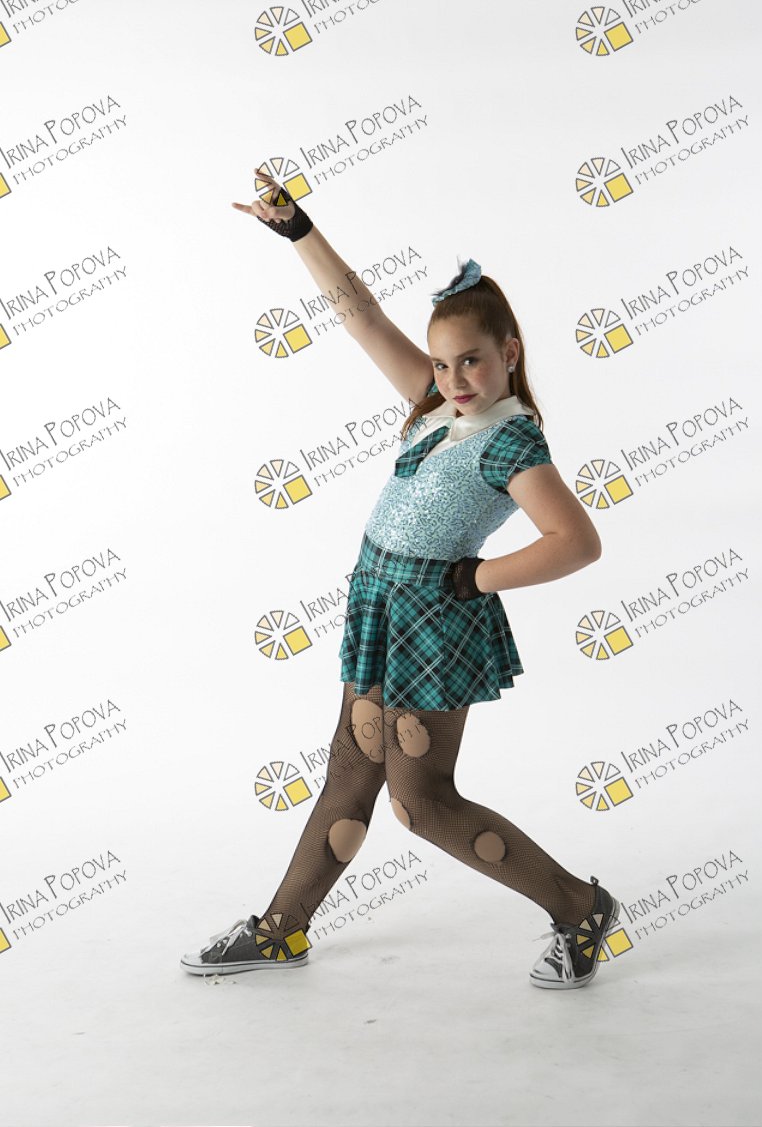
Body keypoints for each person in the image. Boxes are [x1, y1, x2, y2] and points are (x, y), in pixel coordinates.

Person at [179, 168, 621, 990]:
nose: (455, 377)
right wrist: (300, 231)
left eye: (472, 360)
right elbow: (363, 316)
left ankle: (580, 905)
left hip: (434, 620)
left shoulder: (511, 441)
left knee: (422, 804)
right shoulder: (437, 403)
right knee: (350, 771)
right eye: (445, 362)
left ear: (509, 354)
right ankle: (282, 929)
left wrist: (478, 576)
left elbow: (577, 542)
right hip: (381, 606)